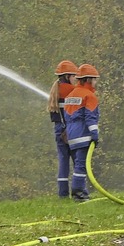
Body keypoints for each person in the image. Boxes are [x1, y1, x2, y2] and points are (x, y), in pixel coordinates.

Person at [63, 63, 100, 202]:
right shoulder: (89, 96)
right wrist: (95, 134)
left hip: (72, 135)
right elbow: (90, 117)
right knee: (81, 165)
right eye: (95, 79)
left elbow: (67, 116)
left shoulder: (70, 95)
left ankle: (82, 191)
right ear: (88, 79)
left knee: (78, 163)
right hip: (83, 135)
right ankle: (78, 194)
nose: (96, 83)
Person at [47, 60, 78, 198]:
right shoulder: (71, 90)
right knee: (78, 161)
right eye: (73, 76)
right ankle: (79, 191)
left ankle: (63, 194)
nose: (76, 80)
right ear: (67, 76)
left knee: (63, 161)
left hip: (59, 130)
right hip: (71, 129)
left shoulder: (55, 90)